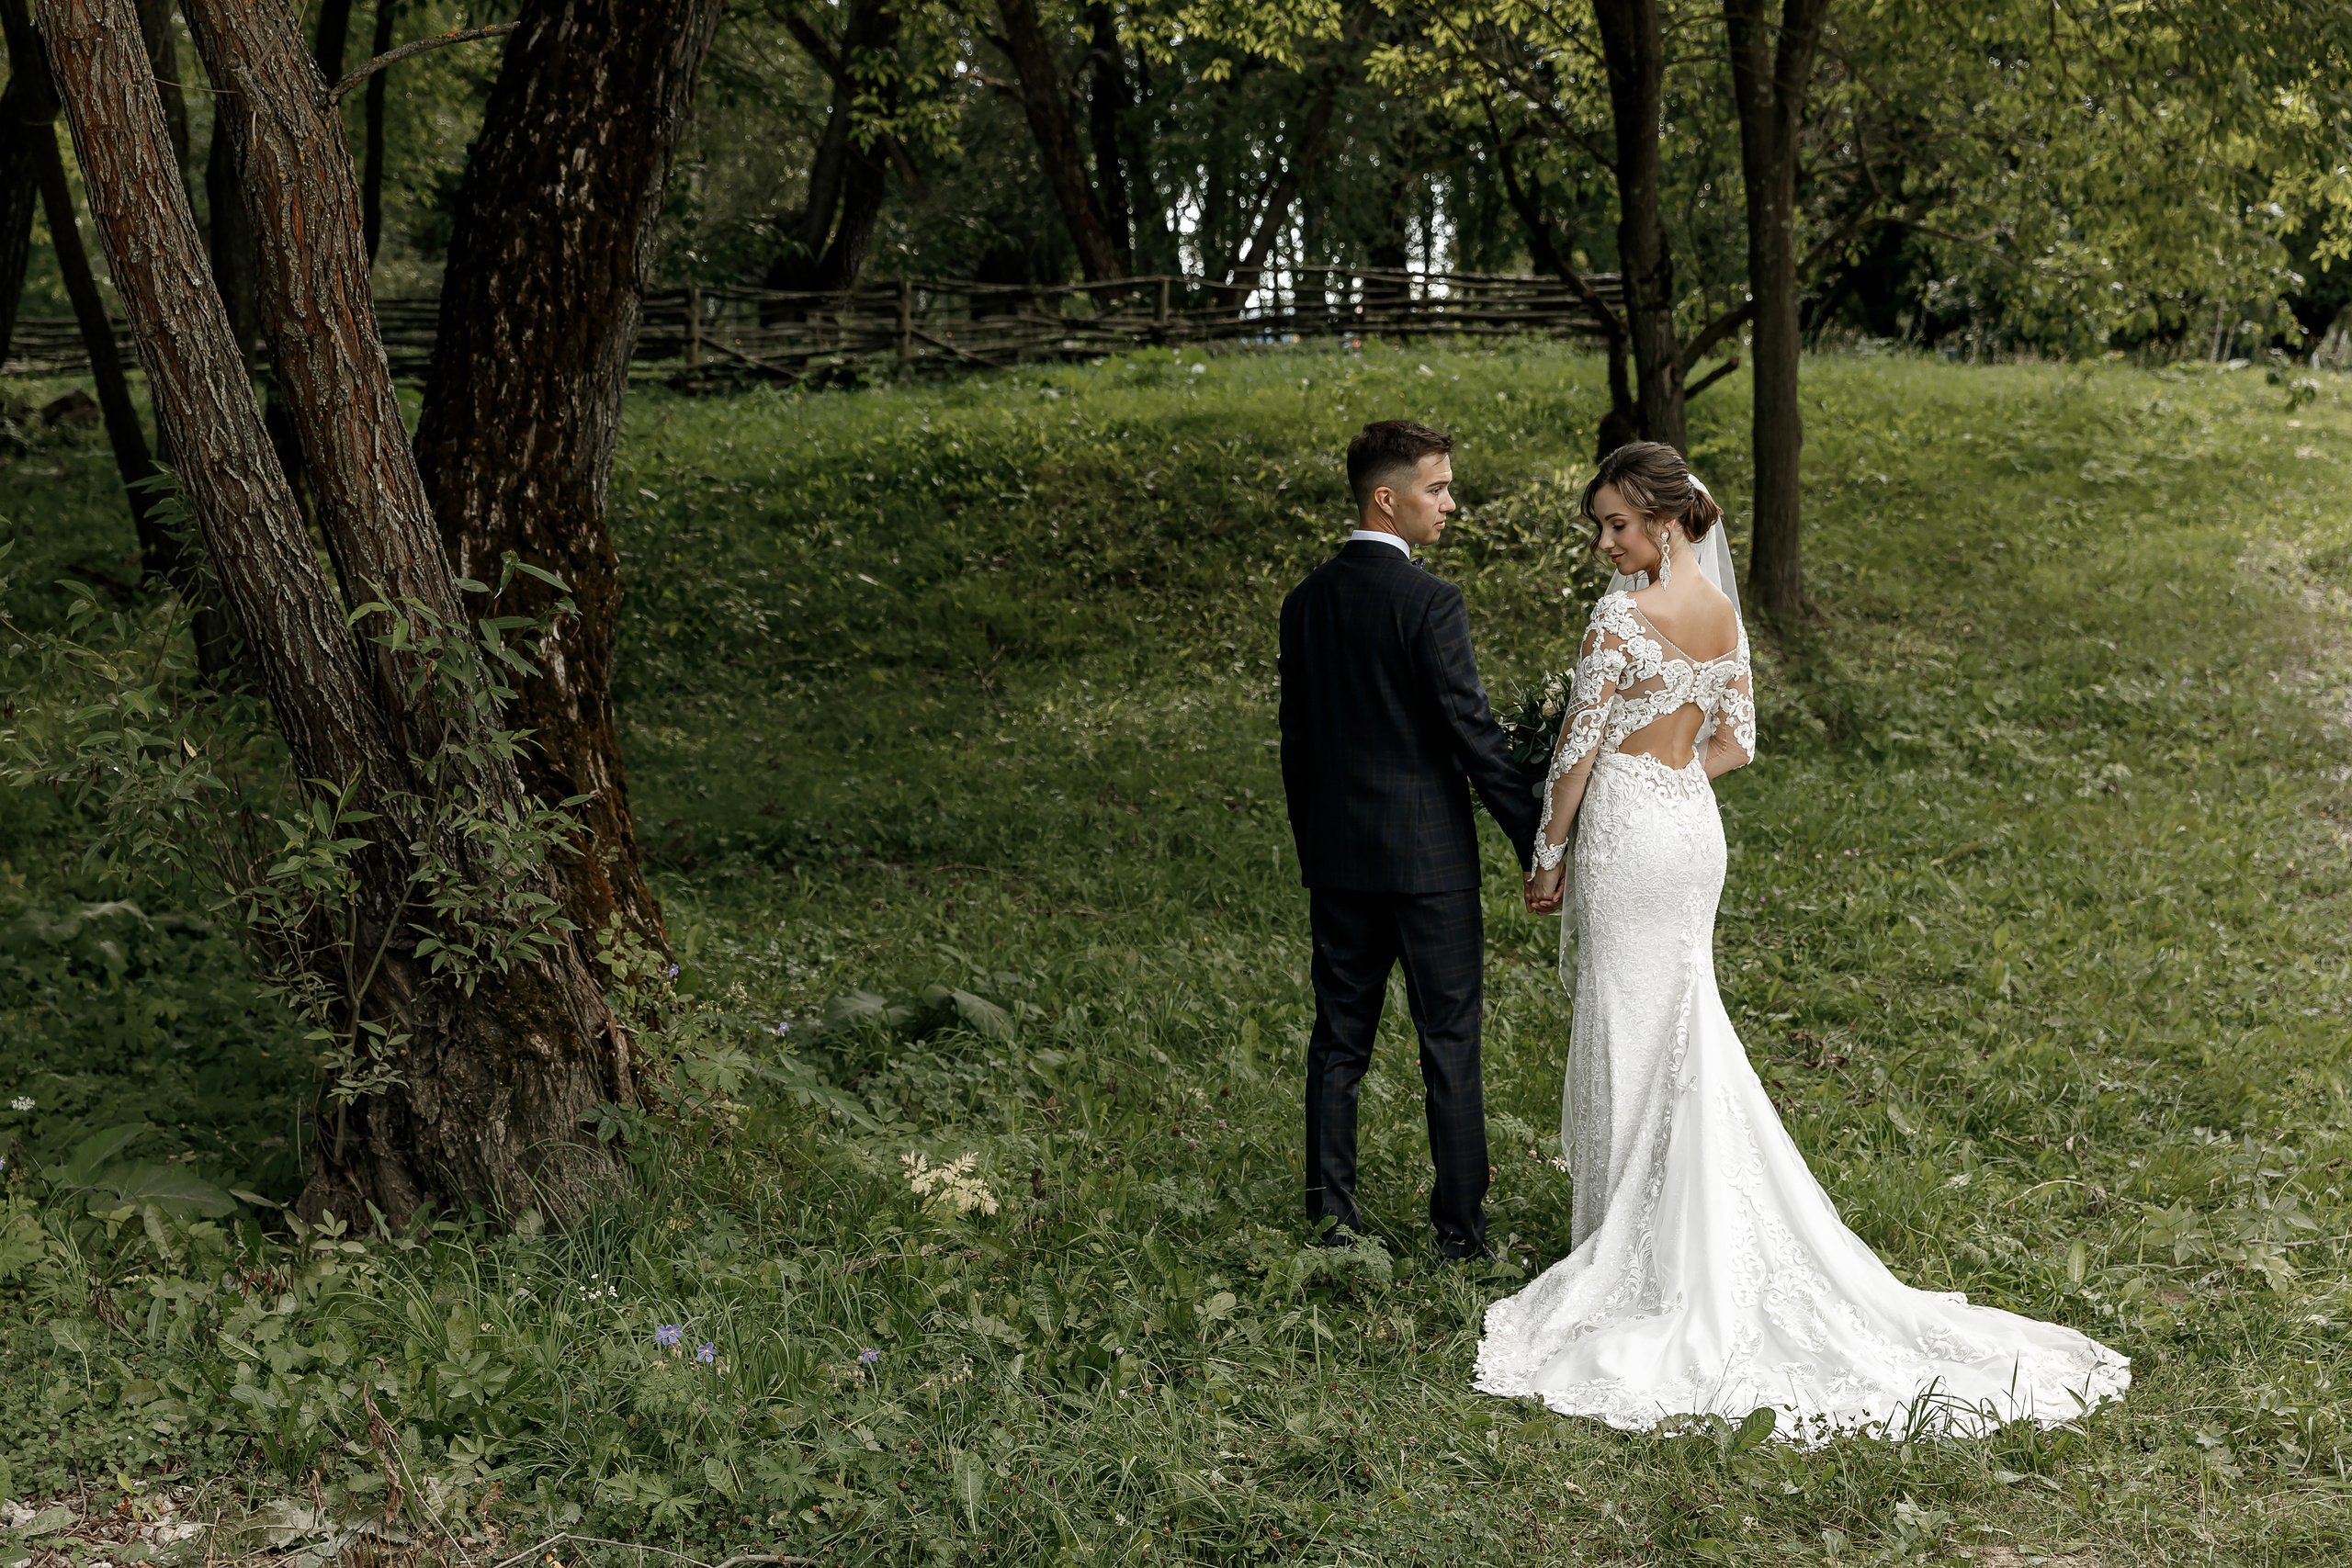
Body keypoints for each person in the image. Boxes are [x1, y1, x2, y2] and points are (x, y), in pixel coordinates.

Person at [1476, 441, 2129, 1437]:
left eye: (1616, 523)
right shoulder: (1724, 615)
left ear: (1663, 519)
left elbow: (1574, 746)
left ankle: (1628, 1243)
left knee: (1626, 1012)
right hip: (1690, 830)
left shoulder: (1618, 616)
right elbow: (1735, 741)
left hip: (1625, 831)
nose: (1606, 543)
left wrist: (1549, 850)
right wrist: (1673, 776)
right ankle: (1664, 1223)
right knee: (1682, 1011)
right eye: (1600, 527)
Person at [1278, 420, 1540, 1261]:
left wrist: (1312, 843)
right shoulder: (1431, 602)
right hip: (1430, 866)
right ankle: (1461, 1236)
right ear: (1385, 499)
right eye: (1438, 488)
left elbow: (1298, 743)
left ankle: (1332, 1226)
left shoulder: (1306, 601)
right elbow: (1472, 734)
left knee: (1337, 1043)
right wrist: (1539, 837)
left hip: (1340, 861)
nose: (1451, 503)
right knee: (1450, 1042)